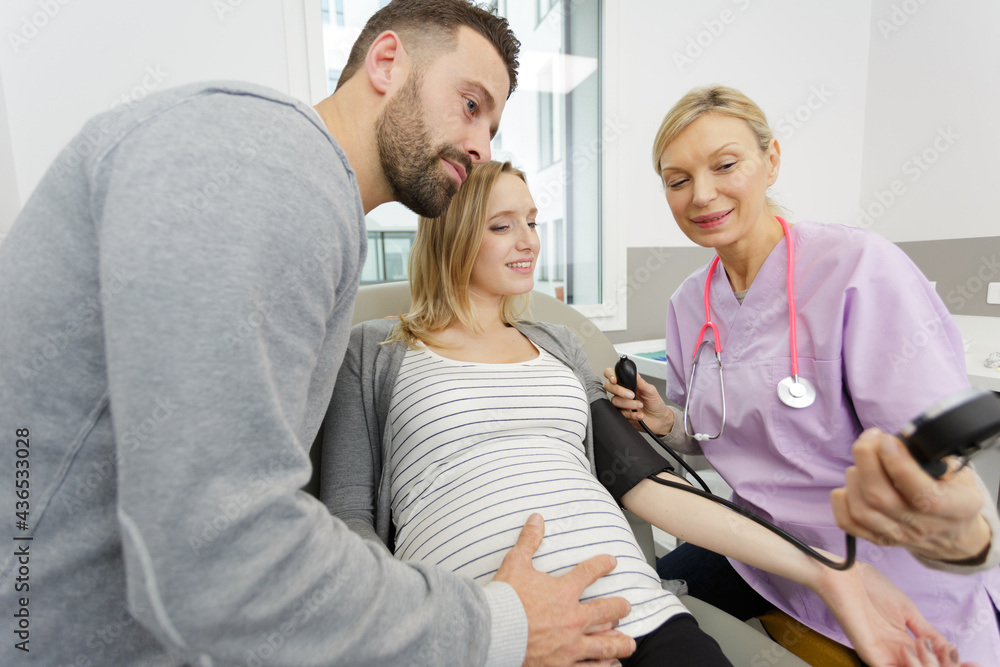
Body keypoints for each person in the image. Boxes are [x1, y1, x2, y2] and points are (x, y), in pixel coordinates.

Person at [0, 2, 636, 665]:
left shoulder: (307, 198)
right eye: (470, 104)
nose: (482, 147)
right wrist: (496, 624)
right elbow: (222, 555)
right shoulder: (270, 163)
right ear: (387, 63)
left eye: (494, 126)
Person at [321, 159, 969, 667]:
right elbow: (348, 521)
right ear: (455, 236)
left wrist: (831, 573)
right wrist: (454, 627)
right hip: (493, 623)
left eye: (533, 220)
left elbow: (645, 481)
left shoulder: (558, 343)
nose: (528, 242)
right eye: (501, 225)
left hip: (636, 605)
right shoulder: (373, 351)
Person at [603, 84, 1000, 663]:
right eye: (677, 179)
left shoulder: (860, 269)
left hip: (877, 562)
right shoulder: (690, 304)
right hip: (762, 549)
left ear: (772, 161)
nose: (702, 195)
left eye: (726, 165)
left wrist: (960, 531)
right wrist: (666, 422)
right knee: (638, 616)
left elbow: (929, 467)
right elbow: (712, 437)